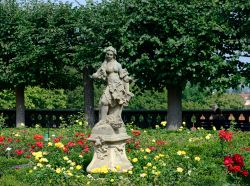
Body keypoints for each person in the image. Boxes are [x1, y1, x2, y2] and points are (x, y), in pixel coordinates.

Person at [92, 46, 133, 122]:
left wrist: (127, 90)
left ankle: (114, 120)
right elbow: (97, 73)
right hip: (110, 86)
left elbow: (123, 76)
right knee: (104, 101)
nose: (109, 56)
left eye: (111, 54)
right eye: (107, 54)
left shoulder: (118, 64)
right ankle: (103, 121)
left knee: (116, 104)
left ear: (114, 55)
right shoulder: (104, 65)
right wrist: (95, 75)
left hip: (118, 86)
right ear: (106, 54)